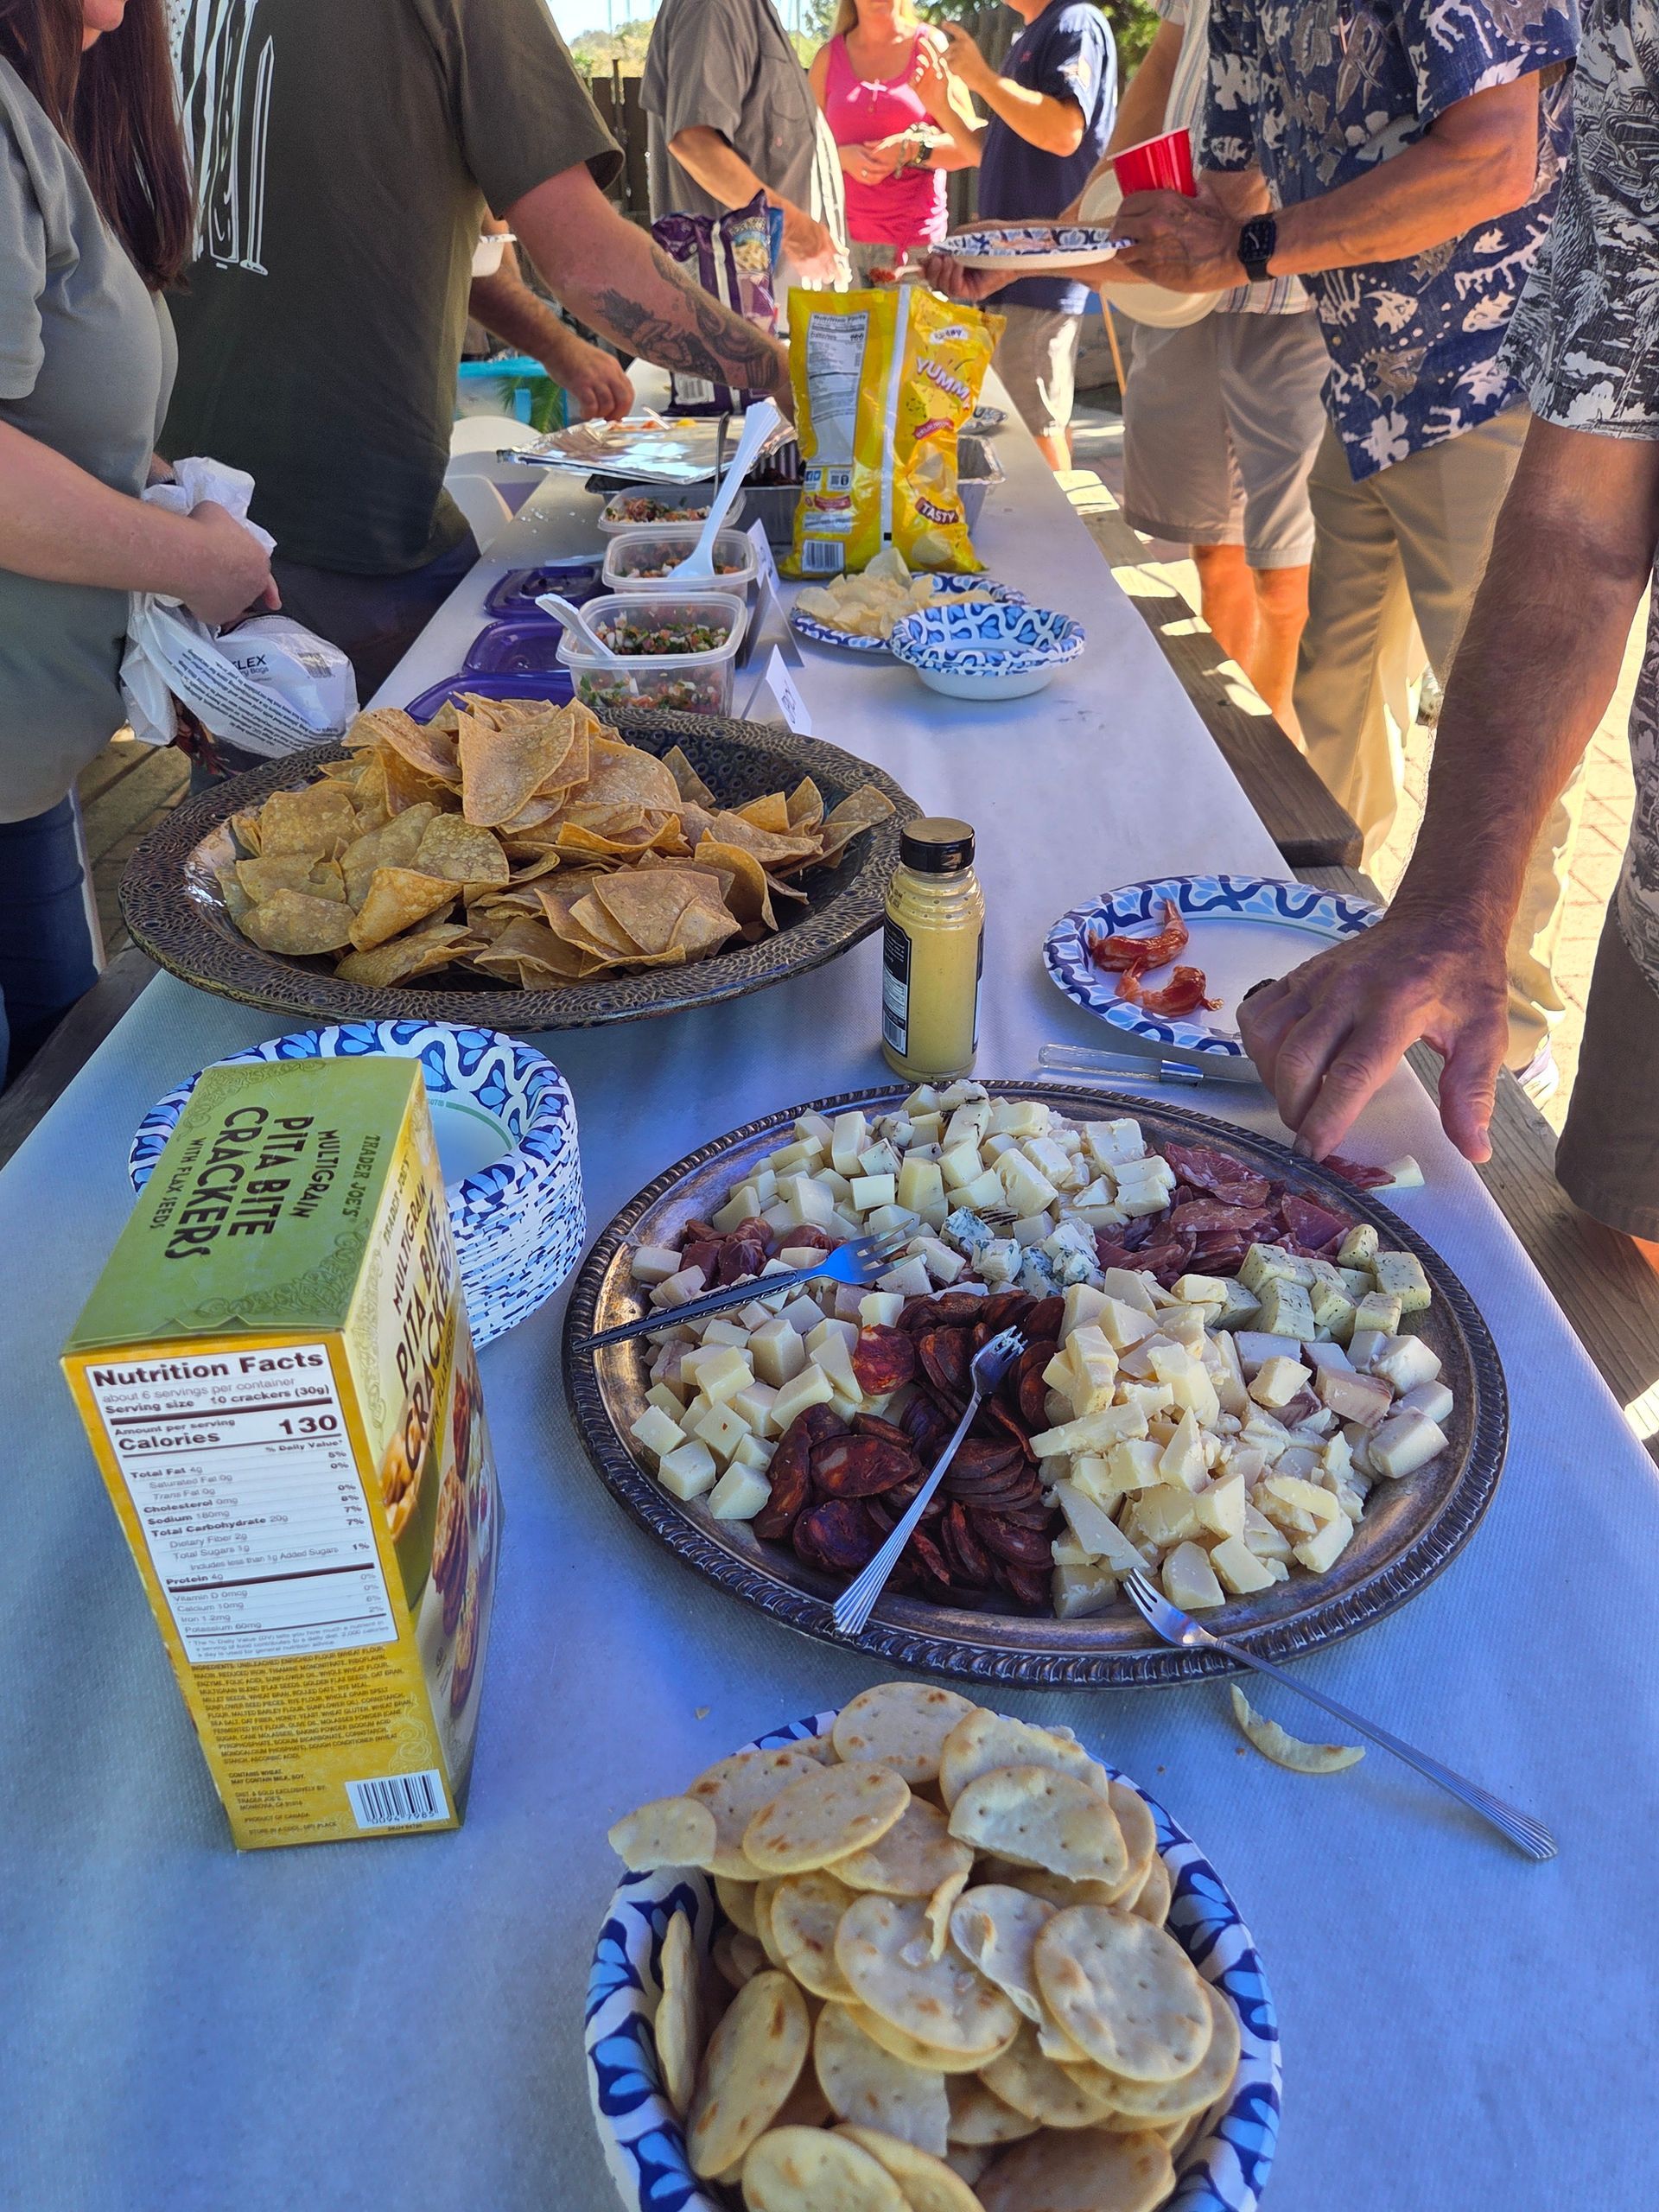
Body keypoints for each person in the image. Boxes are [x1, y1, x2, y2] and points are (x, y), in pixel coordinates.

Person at [1240, 0, 1659, 1258]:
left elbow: (1491, 150)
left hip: (1460, 398)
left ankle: (1508, 1032)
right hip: (1658, 913)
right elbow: (1586, 524)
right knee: (1618, 1262)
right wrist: (1447, 908)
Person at [1109, 0, 1580, 1094]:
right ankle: (1338, 953)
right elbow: (1222, 207)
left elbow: (1494, 159)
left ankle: (1505, 1039)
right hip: (1363, 390)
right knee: (1334, 694)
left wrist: (1248, 247)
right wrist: (1072, 248)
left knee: (1507, 725)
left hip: (1498, 384)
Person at [163, 0, 790, 702]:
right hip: (352, 540)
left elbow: (401, 220)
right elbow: (590, 260)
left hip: (182, 517)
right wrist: (782, 373)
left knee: (236, 801)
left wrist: (556, 344)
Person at [0, 0, 275, 1078]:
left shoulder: (42, 106)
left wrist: (166, 494)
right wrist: (193, 564)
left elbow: (51, 419)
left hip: (31, 783)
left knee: (63, 1101)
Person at [1105, 3, 1328, 732]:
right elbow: (1167, 60)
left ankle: (1288, 764)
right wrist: (1101, 198)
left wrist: (1241, 230)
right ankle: (1237, 742)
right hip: (1182, 277)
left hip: (1300, 286)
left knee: (1293, 578)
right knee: (1212, 544)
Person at [935, 0, 1116, 472]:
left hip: (1040, 275)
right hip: (1013, 274)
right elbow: (988, 149)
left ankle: (1062, 540)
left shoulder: (1075, 21)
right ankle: (1065, 536)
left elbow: (1063, 132)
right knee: (1036, 424)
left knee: (1032, 434)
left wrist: (982, 79)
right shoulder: (1031, 36)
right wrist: (938, 100)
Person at [643, 0, 843, 289]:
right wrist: (794, 228)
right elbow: (694, 142)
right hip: (733, 312)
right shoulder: (716, 6)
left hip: (762, 309)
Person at [809, 0, 980, 287]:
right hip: (839, 249)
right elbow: (800, 151)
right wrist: (839, 158)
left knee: (910, 334)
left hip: (914, 253)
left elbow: (972, 148)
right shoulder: (828, 57)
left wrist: (913, 150)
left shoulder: (930, 45)